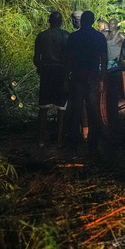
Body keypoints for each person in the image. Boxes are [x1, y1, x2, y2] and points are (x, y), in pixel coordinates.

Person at [66, 10, 108, 151]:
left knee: (75, 110)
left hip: (77, 76)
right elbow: (104, 58)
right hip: (93, 76)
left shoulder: (73, 37)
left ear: (82, 21)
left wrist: (68, 76)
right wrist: (102, 77)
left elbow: (69, 59)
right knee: (93, 110)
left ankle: (73, 142)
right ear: (92, 21)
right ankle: (93, 142)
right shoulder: (99, 37)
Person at [34, 11, 70, 147]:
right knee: (61, 108)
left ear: (49, 21)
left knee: (43, 108)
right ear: (61, 22)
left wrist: (41, 68)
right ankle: (59, 141)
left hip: (47, 73)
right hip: (61, 73)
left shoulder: (42, 36)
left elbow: (37, 58)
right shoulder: (66, 36)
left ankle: (41, 140)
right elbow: (68, 58)